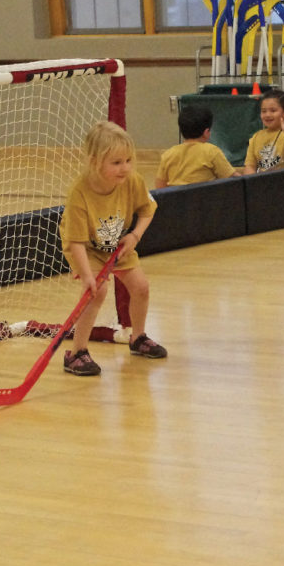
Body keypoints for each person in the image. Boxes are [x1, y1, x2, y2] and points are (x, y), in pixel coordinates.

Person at [59, 122, 164, 376]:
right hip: (87, 249)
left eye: (128, 160)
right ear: (95, 161)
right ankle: (77, 353)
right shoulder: (79, 193)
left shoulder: (131, 181)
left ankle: (138, 338)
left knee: (141, 287)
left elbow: (148, 210)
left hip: (118, 244)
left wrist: (135, 236)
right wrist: (87, 277)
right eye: (116, 163)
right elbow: (76, 242)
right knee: (97, 292)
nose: (125, 168)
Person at [158, 104, 236, 188]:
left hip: (175, 200)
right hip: (204, 199)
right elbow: (232, 178)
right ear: (206, 133)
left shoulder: (168, 154)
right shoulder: (211, 151)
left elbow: (160, 186)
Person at [238, 89, 284, 175]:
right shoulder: (256, 137)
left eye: (273, 110)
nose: (267, 115)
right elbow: (250, 166)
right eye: (264, 111)